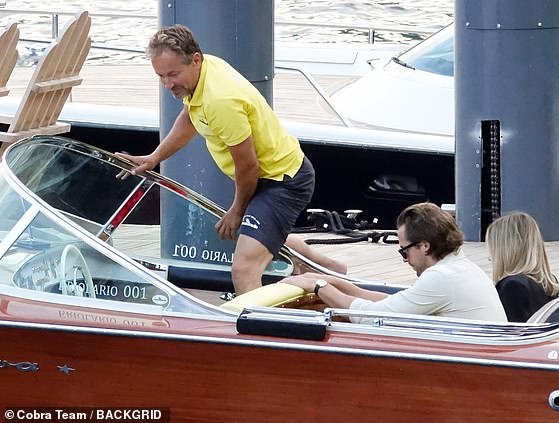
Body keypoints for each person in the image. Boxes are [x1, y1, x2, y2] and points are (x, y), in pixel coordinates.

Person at [115, 24, 344, 294]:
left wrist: (236, 212)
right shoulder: (204, 73)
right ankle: (331, 269)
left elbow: (248, 166)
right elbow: (190, 117)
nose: (167, 84)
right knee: (262, 236)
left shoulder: (220, 100)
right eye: (161, 76)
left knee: (244, 268)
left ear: (195, 59)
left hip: (283, 180)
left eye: (173, 74)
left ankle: (255, 333)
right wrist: (155, 158)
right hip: (271, 174)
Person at [282, 202, 507, 323]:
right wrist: (339, 284)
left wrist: (320, 287)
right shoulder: (460, 266)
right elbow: (396, 302)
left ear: (424, 246)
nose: (404, 261)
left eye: (404, 252)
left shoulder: (442, 277)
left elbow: (373, 316)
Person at [485, 212, 559, 322]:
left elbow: (511, 333)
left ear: (506, 251)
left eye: (493, 251)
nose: (490, 258)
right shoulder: (548, 282)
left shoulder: (512, 286)